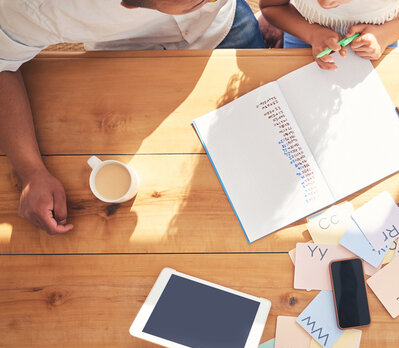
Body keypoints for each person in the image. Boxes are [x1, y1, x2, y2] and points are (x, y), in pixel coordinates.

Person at [0, 0, 265, 235]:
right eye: (197, 3)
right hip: (126, 62)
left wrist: (274, 11)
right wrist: (31, 172)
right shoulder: (27, 9)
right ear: (127, 4)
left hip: (226, 27)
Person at [259, 0, 399, 70]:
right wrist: (312, 34)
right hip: (303, 30)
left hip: (380, 37)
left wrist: (383, 36)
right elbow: (271, 6)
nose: (324, 3)